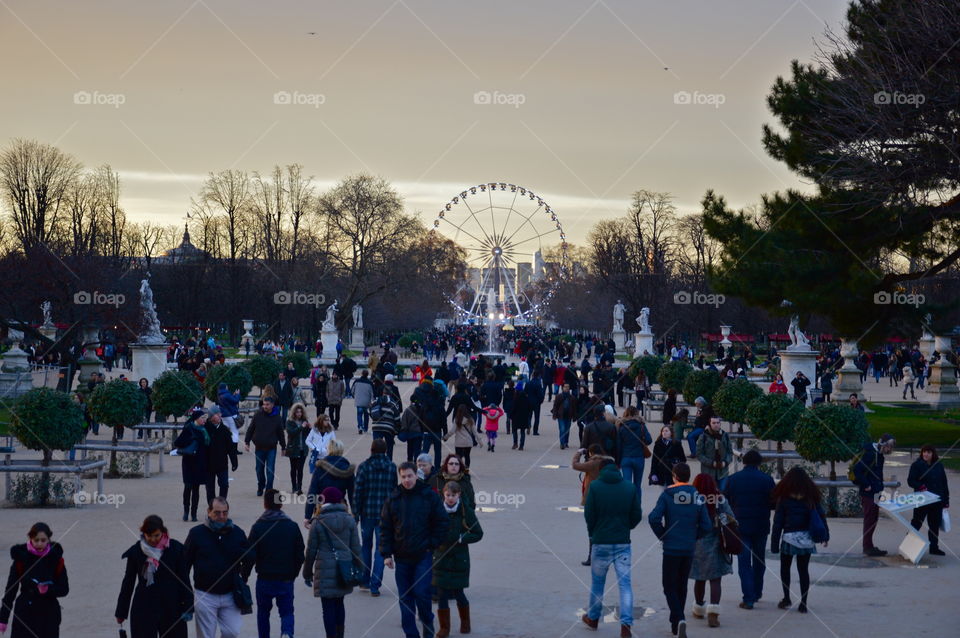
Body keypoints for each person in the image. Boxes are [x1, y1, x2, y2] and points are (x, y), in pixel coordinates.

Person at [380, 462, 449, 638]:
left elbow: (442, 522)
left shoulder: (429, 496)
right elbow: (386, 528)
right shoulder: (393, 498)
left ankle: (428, 626)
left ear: (416, 476)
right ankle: (411, 635)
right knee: (405, 599)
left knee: (422, 594)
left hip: (423, 555)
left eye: (410, 476)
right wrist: (386, 554)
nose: (407, 480)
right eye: (403, 477)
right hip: (401, 557)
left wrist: (431, 544)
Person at [580, 457, 643, 638]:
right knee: (625, 585)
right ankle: (626, 625)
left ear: (600, 470)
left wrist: (593, 534)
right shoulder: (629, 487)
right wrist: (626, 527)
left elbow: (589, 514)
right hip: (623, 542)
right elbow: (636, 514)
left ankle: (593, 618)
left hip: (601, 541)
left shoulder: (595, 487)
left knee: (598, 583)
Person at [649, 463, 711, 638]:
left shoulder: (667, 495)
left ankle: (679, 618)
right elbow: (706, 525)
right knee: (681, 585)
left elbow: (654, 519)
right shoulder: (697, 496)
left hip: (671, 548)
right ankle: (675, 623)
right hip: (688, 548)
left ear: (674, 476)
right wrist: (694, 536)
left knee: (668, 586)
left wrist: (663, 535)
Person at [115, 515, 191, 638]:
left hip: (171, 605)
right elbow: (128, 582)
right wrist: (121, 612)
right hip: (144, 605)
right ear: (143, 534)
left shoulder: (176, 549)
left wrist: (188, 605)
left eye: (156, 535)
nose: (153, 539)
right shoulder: (136, 551)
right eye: (149, 536)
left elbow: (183, 579)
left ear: (163, 532)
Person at [184, 498, 249, 638]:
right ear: (208, 512)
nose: (221, 517)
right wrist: (187, 594)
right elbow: (185, 564)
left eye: (225, 513)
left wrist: (242, 579)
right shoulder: (196, 534)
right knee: (205, 636)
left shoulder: (237, 533)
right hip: (205, 595)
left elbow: (249, 557)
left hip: (230, 594)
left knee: (232, 632)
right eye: (217, 513)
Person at [243, 489, 305, 638]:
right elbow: (300, 554)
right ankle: (286, 633)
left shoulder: (258, 527)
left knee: (263, 613)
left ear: (265, 504)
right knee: (287, 611)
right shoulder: (292, 526)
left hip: (265, 577)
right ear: (281, 504)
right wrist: (293, 573)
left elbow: (250, 556)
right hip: (285, 577)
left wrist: (244, 576)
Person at [303, 487, 362, 638]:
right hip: (344, 567)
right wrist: (359, 568)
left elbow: (311, 551)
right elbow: (356, 547)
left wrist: (307, 571)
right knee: (339, 603)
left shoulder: (318, 522)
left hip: (324, 569)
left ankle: (331, 635)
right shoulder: (349, 520)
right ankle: (340, 634)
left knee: (327, 607)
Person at [770, 467, 829, 613]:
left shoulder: (783, 498)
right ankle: (803, 602)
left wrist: (774, 544)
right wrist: (825, 535)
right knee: (803, 570)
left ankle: (786, 598)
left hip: (789, 537)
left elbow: (778, 523)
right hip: (806, 538)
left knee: (785, 569)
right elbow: (821, 516)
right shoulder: (811, 497)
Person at [723, 449, 775, 609]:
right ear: (759, 463)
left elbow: (726, 502)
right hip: (761, 524)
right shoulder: (767, 480)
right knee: (759, 560)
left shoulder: (733, 479)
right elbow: (773, 503)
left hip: (741, 525)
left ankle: (749, 597)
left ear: (744, 462)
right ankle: (757, 591)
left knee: (744, 562)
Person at [1, 522, 69, 638]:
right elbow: (10, 591)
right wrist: (3, 619)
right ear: (30, 538)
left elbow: (64, 589)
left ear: (49, 539)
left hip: (49, 615)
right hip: (24, 614)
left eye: (43, 540)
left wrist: (48, 590)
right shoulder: (20, 559)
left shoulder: (56, 559)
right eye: (36, 540)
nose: (39, 543)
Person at [434, 481, 483, 638]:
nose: (450, 498)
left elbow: (478, 533)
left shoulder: (465, 511)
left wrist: (462, 538)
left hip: (459, 559)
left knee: (458, 593)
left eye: (453, 496)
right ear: (443, 494)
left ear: (459, 495)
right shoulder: (437, 510)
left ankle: (465, 622)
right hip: (440, 558)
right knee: (441, 594)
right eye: (448, 495)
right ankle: (444, 628)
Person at [689, 473, 736, 627]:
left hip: (697, 543)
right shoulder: (719, 499)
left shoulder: (691, 499)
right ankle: (713, 614)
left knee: (699, 578)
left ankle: (698, 608)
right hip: (716, 543)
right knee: (715, 579)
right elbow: (731, 518)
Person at [354, 438, 397, 596]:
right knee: (382, 549)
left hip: (367, 513)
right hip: (385, 514)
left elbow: (358, 492)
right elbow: (394, 493)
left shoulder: (364, 467)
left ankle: (364, 580)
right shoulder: (392, 467)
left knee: (365, 546)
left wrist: (356, 513)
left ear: (371, 450)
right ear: (385, 450)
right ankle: (375, 584)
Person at [852, 433, 895, 556]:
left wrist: (879, 487)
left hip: (875, 492)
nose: (890, 449)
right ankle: (867, 547)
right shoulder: (870, 454)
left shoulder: (879, 455)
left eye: (891, 447)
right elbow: (857, 470)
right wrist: (866, 485)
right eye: (889, 446)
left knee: (873, 519)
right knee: (870, 518)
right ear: (883, 444)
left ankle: (869, 546)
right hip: (868, 493)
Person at [572, 444, 614, 567]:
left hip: (593, 499)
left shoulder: (592, 463)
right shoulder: (610, 462)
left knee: (592, 529)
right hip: (607, 498)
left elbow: (575, 465)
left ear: (590, 453)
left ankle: (592, 556)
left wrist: (579, 453)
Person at [907, 444, 949, 556]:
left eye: (928, 452)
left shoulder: (939, 466)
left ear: (933, 454)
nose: (926, 454)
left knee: (934, 525)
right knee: (916, 523)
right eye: (924, 452)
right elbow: (910, 481)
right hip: (921, 499)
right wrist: (920, 486)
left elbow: (944, 484)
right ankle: (908, 545)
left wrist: (946, 501)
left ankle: (934, 547)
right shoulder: (916, 465)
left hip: (937, 501)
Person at [304, 439, 356, 526]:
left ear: (329, 450)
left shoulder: (320, 468)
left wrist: (307, 516)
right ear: (341, 450)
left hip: (322, 508)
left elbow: (312, 493)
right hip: (341, 507)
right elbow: (353, 494)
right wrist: (355, 514)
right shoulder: (347, 469)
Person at [173, 409, 210, 522]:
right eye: (202, 417)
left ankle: (194, 513)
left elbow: (207, 445)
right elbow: (177, 442)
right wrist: (191, 439)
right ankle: (186, 511)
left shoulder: (205, 430)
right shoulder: (188, 428)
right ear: (196, 419)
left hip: (200, 462)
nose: (204, 420)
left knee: (196, 488)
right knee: (188, 487)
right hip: (189, 462)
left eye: (205, 417)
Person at [245, 396, 286, 496]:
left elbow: (280, 433)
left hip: (271, 448)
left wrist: (283, 447)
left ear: (272, 405)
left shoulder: (277, 418)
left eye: (267, 404)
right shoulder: (257, 415)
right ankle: (261, 485)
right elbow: (251, 429)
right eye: (264, 404)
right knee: (259, 469)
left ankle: (269, 489)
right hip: (259, 447)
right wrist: (247, 442)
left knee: (270, 470)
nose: (265, 406)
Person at [617, 406, 652, 503]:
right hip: (639, 457)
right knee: (637, 485)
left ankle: (627, 507)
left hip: (626, 457)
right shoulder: (641, 426)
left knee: (626, 485)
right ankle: (637, 508)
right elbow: (649, 440)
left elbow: (618, 446)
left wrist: (618, 461)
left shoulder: (621, 426)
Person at [205, 406, 239, 504]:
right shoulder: (205, 428)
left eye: (220, 413)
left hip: (222, 464)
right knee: (210, 488)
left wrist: (234, 462)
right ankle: (212, 508)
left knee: (224, 485)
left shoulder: (224, 430)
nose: (220, 415)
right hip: (208, 465)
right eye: (217, 414)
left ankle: (221, 505)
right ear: (211, 416)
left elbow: (231, 448)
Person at [696, 416, 733, 491]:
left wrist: (725, 462)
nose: (716, 424)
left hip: (723, 472)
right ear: (710, 424)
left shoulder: (725, 435)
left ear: (720, 424)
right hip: (708, 472)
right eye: (713, 423)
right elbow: (699, 454)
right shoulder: (703, 436)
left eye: (718, 423)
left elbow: (730, 452)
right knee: (709, 493)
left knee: (723, 493)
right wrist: (711, 463)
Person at [285, 403, 311, 494]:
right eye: (297, 412)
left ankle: (299, 487)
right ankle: (294, 486)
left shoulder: (305, 421)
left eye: (300, 412)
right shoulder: (290, 422)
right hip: (293, 448)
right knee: (293, 468)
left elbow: (308, 435)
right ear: (293, 413)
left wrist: (309, 428)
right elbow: (291, 433)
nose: (299, 414)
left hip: (303, 448)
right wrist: (301, 427)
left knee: (300, 469)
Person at [217, 382, 242, 451]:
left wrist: (233, 395)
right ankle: (234, 450)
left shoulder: (219, 395)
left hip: (224, 416)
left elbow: (230, 401)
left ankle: (226, 448)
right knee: (235, 432)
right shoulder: (227, 394)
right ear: (225, 387)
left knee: (227, 432)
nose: (227, 387)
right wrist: (237, 394)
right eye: (227, 386)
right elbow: (235, 401)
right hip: (231, 415)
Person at [551, 382, 576, 450]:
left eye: (568, 387)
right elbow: (555, 406)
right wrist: (554, 415)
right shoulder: (559, 396)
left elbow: (574, 407)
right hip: (561, 416)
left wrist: (574, 416)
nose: (567, 388)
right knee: (562, 429)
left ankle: (566, 442)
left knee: (567, 430)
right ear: (562, 388)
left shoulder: (572, 397)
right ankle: (562, 443)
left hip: (569, 416)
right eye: (565, 387)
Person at [353, 369, 375, 434]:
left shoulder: (356, 381)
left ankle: (360, 426)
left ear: (362, 374)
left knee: (359, 414)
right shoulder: (370, 383)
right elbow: (372, 394)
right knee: (366, 415)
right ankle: (365, 428)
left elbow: (352, 391)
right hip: (367, 402)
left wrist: (355, 397)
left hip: (358, 401)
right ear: (367, 375)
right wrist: (372, 401)